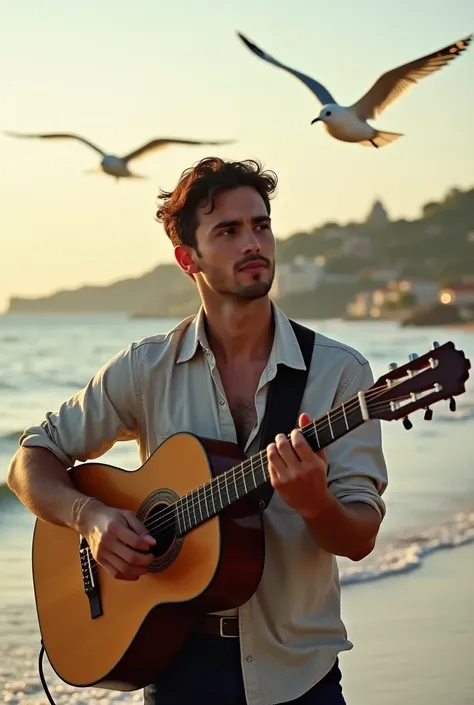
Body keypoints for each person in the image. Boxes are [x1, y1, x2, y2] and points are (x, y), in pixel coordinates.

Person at [7, 157, 388, 705]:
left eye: (261, 225)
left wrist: (315, 504)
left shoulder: (340, 375)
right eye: (228, 231)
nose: (253, 242)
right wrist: (90, 518)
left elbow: (359, 538)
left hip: (297, 672)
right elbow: (30, 459)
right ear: (189, 259)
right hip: (172, 659)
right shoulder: (146, 369)